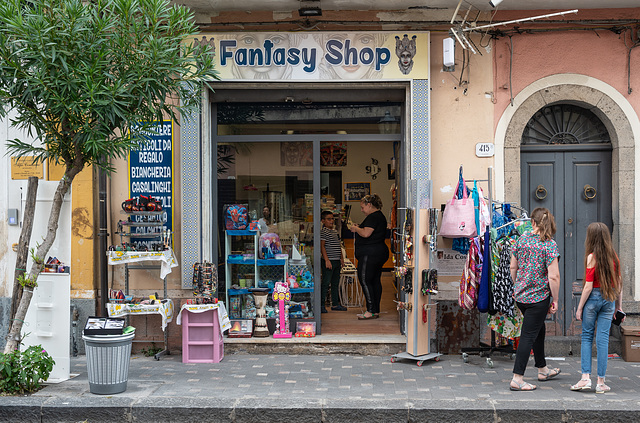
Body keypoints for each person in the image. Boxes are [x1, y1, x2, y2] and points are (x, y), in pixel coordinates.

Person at [509, 207, 561, 391]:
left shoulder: (521, 240)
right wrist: (555, 299)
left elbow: (513, 267)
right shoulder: (549, 244)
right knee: (528, 335)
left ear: (533, 222)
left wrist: (517, 286)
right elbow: (553, 277)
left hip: (522, 297)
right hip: (538, 298)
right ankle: (517, 378)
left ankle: (543, 369)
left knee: (538, 329)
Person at [571, 222, 623, 393]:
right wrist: (619, 306)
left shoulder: (592, 257)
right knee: (603, 341)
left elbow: (587, 286)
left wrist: (579, 308)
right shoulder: (614, 257)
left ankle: (585, 378)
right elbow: (619, 284)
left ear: (591, 238)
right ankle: (601, 383)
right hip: (609, 299)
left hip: (593, 298)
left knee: (586, 337)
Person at [349, 194, 389, 320]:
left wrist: (356, 228)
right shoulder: (379, 216)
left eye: (362, 207)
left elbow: (366, 233)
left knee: (365, 280)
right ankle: (375, 310)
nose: (361, 210)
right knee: (375, 281)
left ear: (369, 205)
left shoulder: (373, 217)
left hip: (370, 253)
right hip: (379, 252)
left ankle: (370, 310)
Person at [320, 211, 346, 314]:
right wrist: (326, 260)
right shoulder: (323, 232)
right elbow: (322, 246)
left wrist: (341, 258)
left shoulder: (335, 231)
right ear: (323, 221)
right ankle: (321, 305)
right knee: (326, 283)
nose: (331, 221)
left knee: (335, 283)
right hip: (329, 261)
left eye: (332, 219)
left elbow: (338, 246)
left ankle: (335, 304)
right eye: (329, 219)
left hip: (336, 261)